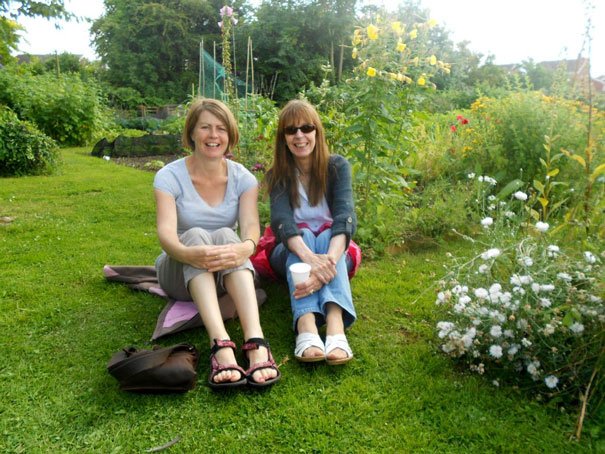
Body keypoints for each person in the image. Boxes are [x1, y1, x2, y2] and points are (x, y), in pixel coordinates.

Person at [153, 98, 280, 388]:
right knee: (197, 233)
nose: (213, 136)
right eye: (205, 128)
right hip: (179, 271)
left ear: (230, 135)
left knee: (227, 235)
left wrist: (244, 248)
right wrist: (190, 253)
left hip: (223, 271)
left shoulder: (244, 179)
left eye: (221, 129)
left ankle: (256, 341)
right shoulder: (168, 177)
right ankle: (221, 346)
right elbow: (166, 235)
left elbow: (250, 231)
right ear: (192, 133)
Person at [266, 99, 357, 365]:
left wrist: (325, 261)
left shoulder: (337, 167)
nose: (299, 135)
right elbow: (282, 221)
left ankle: (335, 325)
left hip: (334, 250)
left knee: (329, 235)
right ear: (283, 137)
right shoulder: (278, 175)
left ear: (317, 131)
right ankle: (306, 324)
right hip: (292, 251)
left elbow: (345, 217)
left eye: (306, 128)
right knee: (303, 235)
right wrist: (311, 259)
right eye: (291, 130)